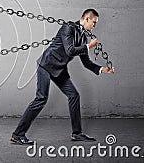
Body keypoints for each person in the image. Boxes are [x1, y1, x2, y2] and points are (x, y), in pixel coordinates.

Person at [10, 9, 114, 145]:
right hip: (46, 65)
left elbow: (86, 62)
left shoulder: (82, 37)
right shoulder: (68, 28)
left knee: (74, 96)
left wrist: (102, 69)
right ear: (87, 19)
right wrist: (88, 46)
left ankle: (77, 133)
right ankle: (18, 134)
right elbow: (69, 50)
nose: (94, 26)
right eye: (94, 23)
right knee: (41, 98)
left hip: (59, 69)